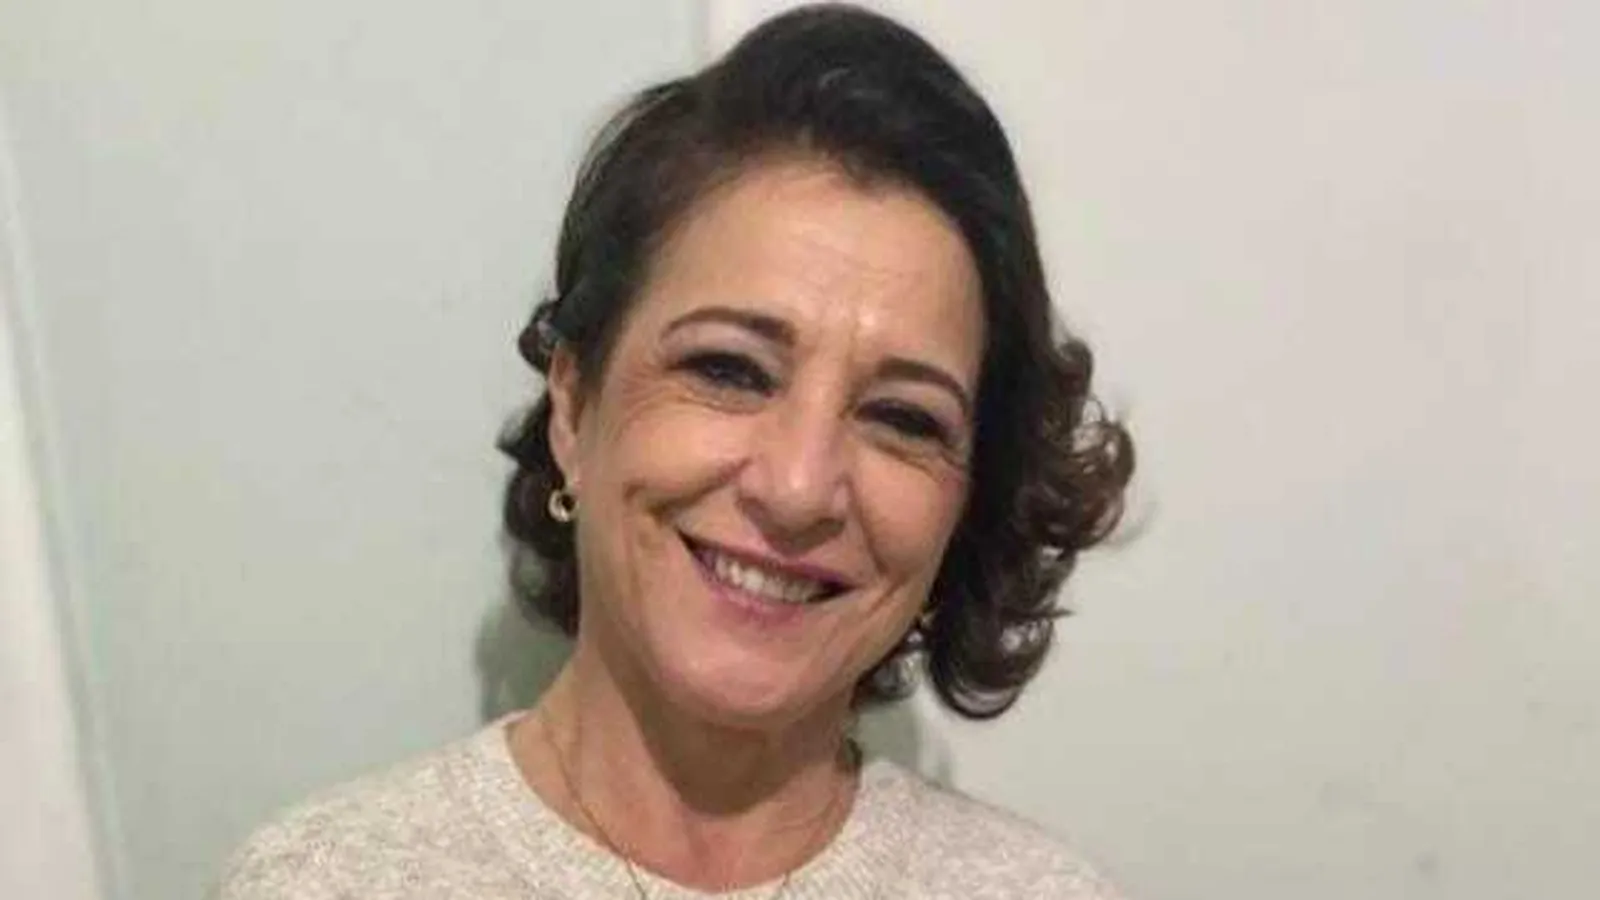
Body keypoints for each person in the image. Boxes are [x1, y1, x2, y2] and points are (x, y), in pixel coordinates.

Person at [218, 4, 1134, 898]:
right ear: (573, 405)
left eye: (903, 419)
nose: (798, 486)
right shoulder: (324, 881)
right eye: (730, 370)